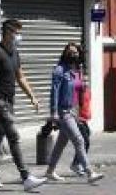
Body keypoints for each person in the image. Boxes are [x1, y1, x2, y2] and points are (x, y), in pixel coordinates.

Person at [0, 19, 47, 191]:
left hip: (9, 102)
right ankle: (26, 177)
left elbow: (20, 77)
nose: (19, 36)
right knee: (14, 137)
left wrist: (32, 96)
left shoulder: (15, 53)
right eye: (16, 32)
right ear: (7, 32)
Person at [44, 42, 104, 184]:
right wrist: (53, 112)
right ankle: (89, 172)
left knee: (61, 144)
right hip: (63, 111)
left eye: (75, 52)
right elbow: (55, 92)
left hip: (73, 111)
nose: (73, 54)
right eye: (70, 52)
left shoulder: (76, 70)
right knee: (79, 139)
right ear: (65, 53)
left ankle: (50, 171)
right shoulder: (59, 70)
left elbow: (79, 91)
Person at [69, 48, 91, 176]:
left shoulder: (81, 72)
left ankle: (51, 169)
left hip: (80, 112)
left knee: (61, 145)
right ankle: (78, 164)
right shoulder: (73, 74)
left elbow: (84, 92)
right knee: (84, 140)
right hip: (75, 112)